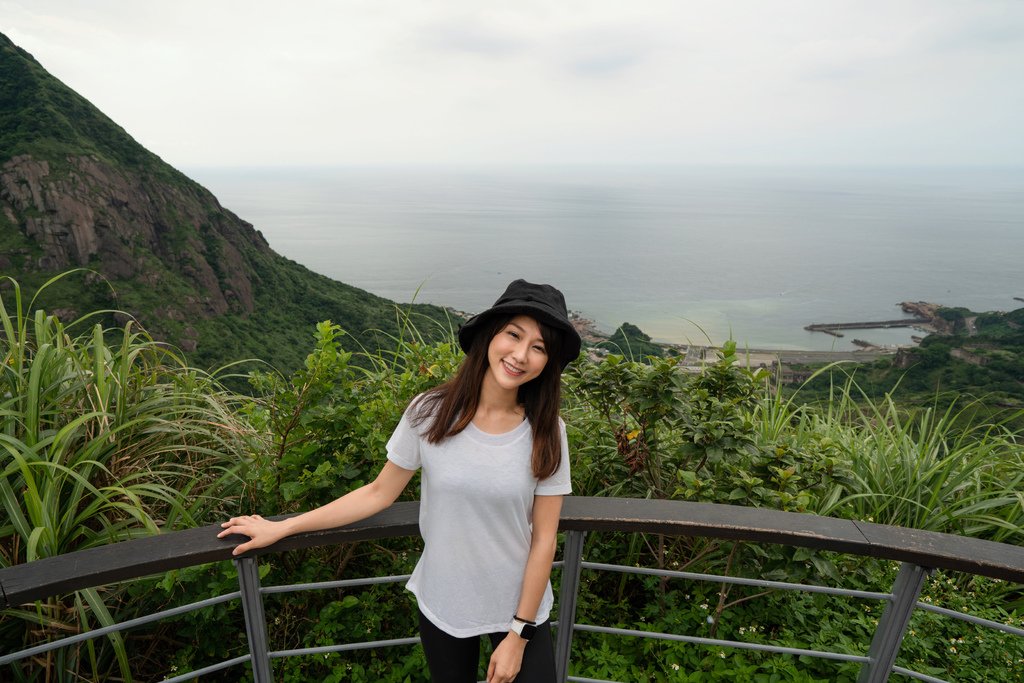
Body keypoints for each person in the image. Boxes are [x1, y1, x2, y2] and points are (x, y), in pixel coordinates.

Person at [218, 279, 582, 683]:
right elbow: (378, 492)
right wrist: (284, 526)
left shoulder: (547, 431)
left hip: (521, 609)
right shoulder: (430, 412)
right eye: (514, 335)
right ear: (489, 336)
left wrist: (518, 632)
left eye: (539, 347)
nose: (520, 355)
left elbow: (544, 539)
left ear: (548, 363)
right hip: (445, 600)